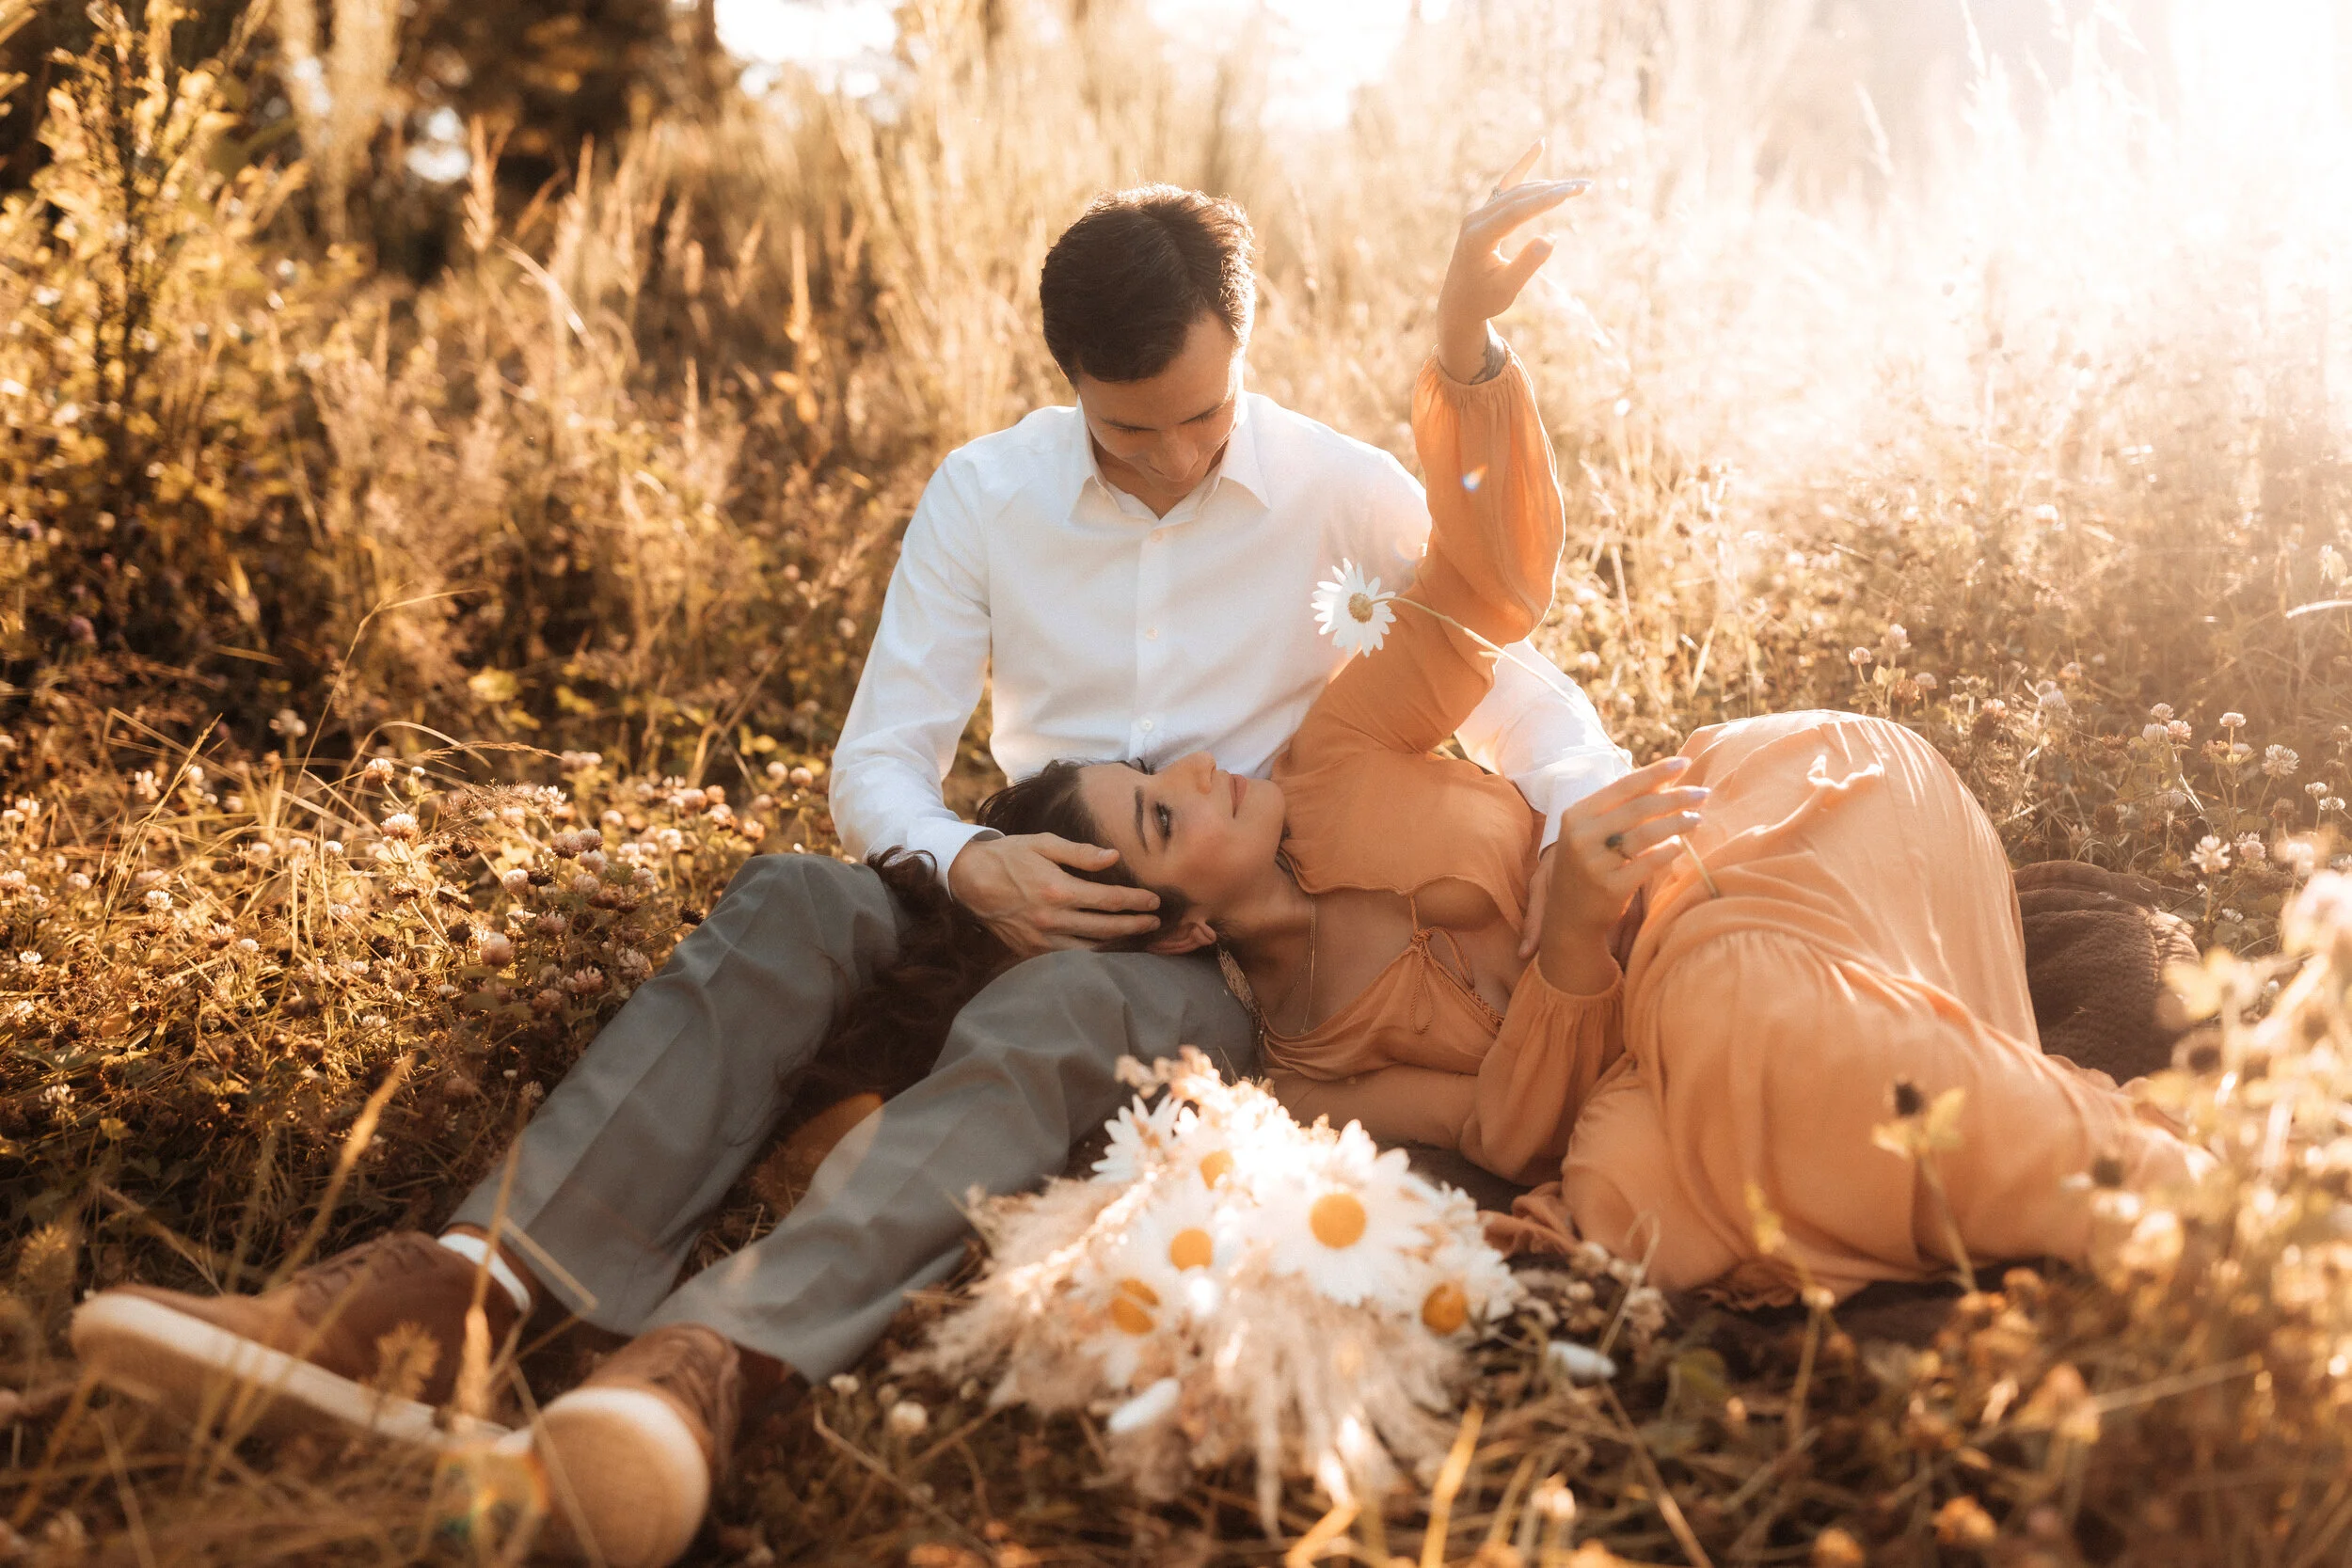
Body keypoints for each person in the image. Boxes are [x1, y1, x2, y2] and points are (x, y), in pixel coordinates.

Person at [68, 167, 1626, 1568]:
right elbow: (879, 763)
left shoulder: (1340, 487)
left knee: (1064, 1012)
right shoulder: (989, 493)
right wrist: (965, 865)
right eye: (1127, 424)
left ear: (1245, 351)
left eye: (1203, 418)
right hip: (1011, 856)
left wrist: (1599, 845)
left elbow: (1501, 666)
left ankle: (698, 1371)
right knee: (793, 901)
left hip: (1200, 942)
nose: (1168, 456)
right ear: (1067, 380)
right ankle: (467, 1282)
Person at [991, 158, 2206, 1310]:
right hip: (1662, 1061)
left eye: (1154, 769)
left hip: (1758, 839)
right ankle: (2002, 1135)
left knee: (1732, 1006)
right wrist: (1569, 941)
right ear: (1189, 923)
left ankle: (2181, 1197)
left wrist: (1465, 349)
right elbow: (1500, 1136)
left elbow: (1486, 590)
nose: (1199, 765)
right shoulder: (1303, 1070)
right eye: (1162, 810)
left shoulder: (1337, 747)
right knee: (1632, 1196)